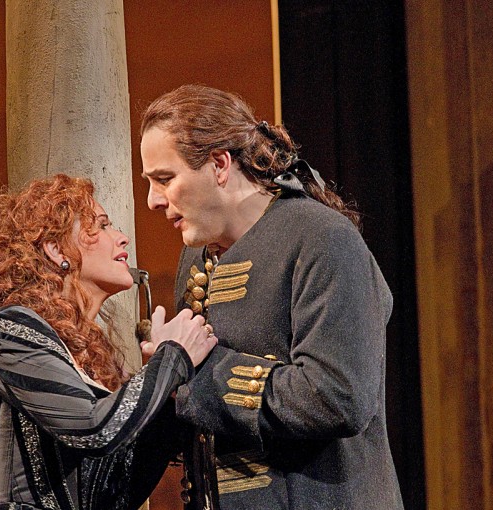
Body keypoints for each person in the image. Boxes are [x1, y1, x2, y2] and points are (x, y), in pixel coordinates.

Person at [139, 84, 404, 509]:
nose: (153, 201)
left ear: (220, 165)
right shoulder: (195, 260)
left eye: (165, 179)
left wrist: (198, 374)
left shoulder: (321, 238)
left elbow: (338, 395)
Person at [0, 174, 217, 510]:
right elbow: (95, 428)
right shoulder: (11, 332)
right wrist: (173, 357)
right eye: (102, 226)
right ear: (56, 250)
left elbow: (118, 492)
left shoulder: (85, 353)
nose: (121, 237)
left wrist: (170, 395)